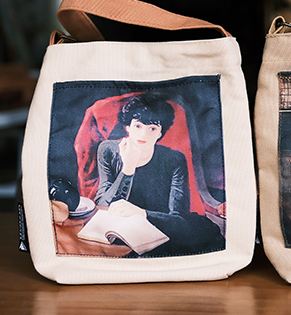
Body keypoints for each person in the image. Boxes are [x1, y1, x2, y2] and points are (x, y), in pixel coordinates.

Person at [94, 94, 223, 256]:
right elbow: (102, 203)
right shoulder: (107, 150)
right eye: (138, 126)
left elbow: (178, 219)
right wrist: (128, 168)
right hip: (119, 230)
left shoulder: (174, 159)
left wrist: (142, 213)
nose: (143, 134)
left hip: (160, 228)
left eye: (152, 129)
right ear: (128, 127)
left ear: (160, 133)